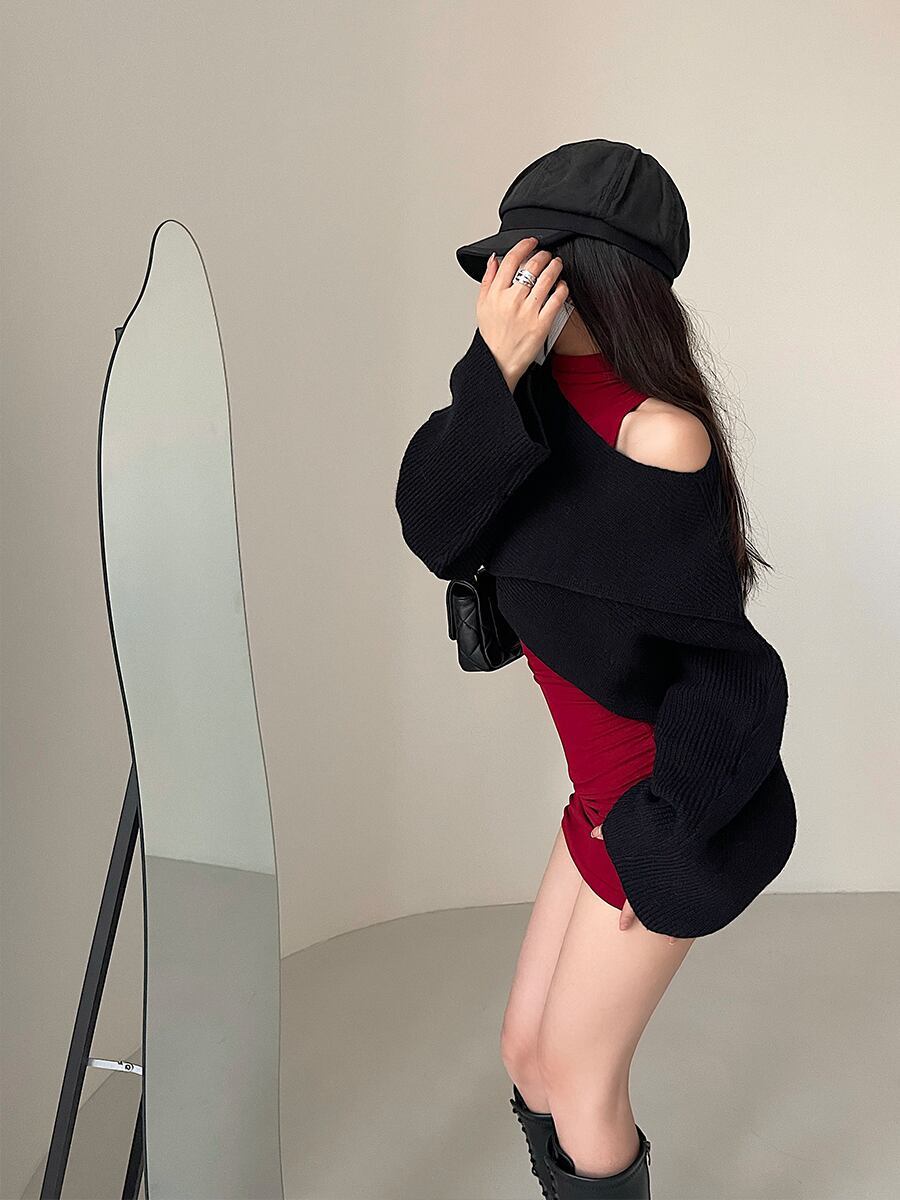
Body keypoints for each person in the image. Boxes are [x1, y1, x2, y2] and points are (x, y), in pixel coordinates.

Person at [394, 140, 795, 1199]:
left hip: (665, 801)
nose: (500, 281)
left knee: (577, 1075)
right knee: (526, 1056)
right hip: (597, 794)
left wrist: (663, 828)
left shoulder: (657, 436)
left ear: (594, 276)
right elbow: (433, 528)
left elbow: (731, 673)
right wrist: (490, 372)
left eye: (526, 260)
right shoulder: (512, 408)